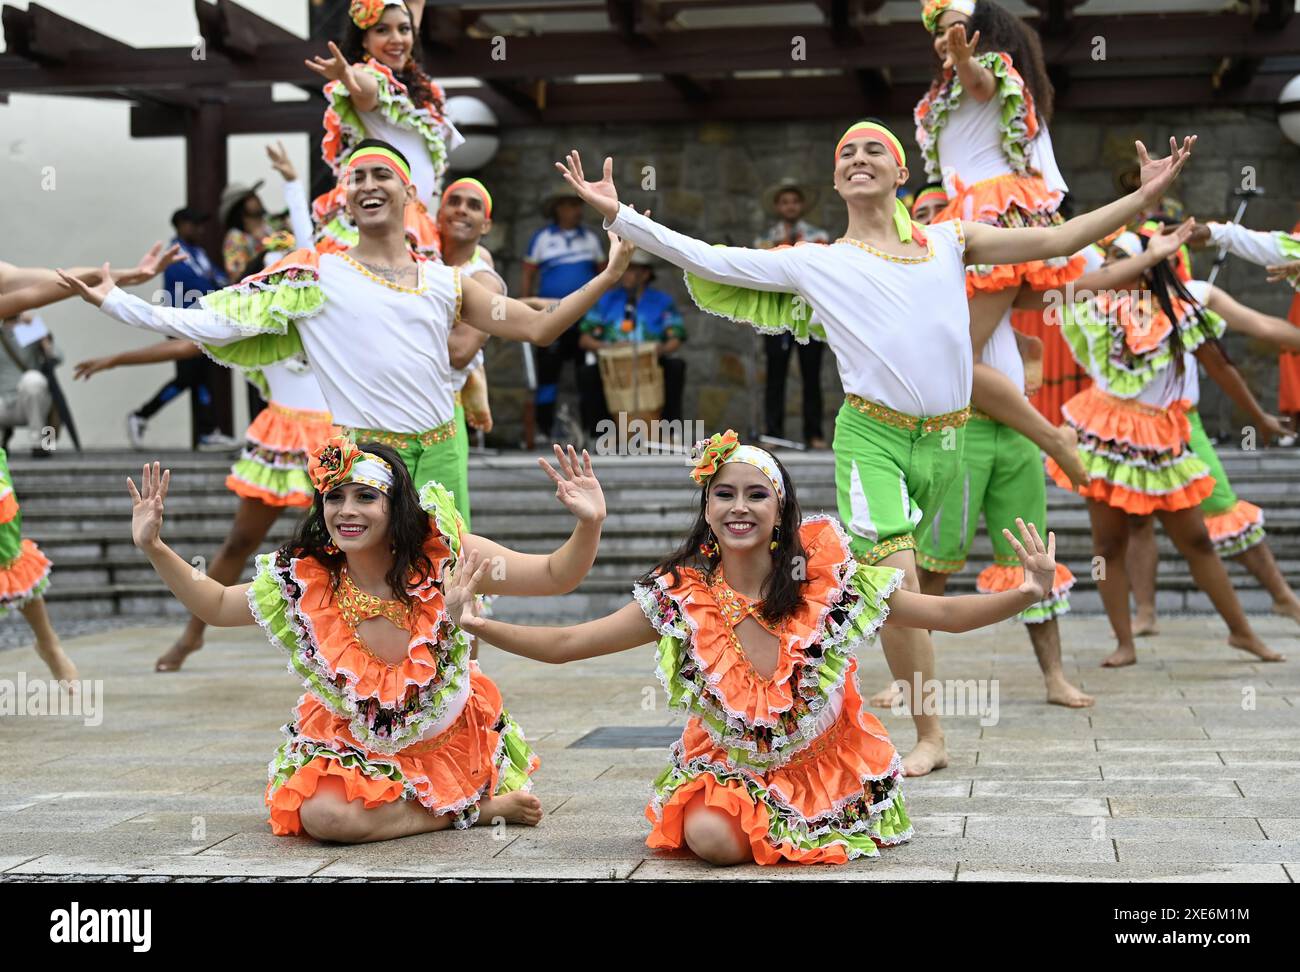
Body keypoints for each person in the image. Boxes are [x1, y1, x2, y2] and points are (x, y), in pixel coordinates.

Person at [552, 125, 1194, 775]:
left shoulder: (952, 239)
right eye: (845, 154)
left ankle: (844, 691)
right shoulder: (818, 261)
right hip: (872, 440)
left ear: (898, 172)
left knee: (915, 583)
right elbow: (711, 258)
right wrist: (620, 214)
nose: (858, 159)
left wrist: (1144, 197)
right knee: (895, 584)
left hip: (950, 439)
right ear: (838, 182)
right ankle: (931, 736)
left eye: (872, 151)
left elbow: (1057, 239)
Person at [441, 430, 1058, 865]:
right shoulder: (681, 596)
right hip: (733, 770)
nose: (739, 507)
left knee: (726, 841)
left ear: (780, 506)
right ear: (706, 508)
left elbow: (941, 615)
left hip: (824, 765)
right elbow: (570, 643)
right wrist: (476, 624)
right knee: (712, 840)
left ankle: (811, 813)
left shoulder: (826, 579)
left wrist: (1025, 591)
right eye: (724, 494)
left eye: (755, 494)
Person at [62, 140, 635, 521]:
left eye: (381, 173)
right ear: (346, 199)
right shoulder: (315, 274)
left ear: (408, 193)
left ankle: (464, 700)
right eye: (355, 176)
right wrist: (117, 303)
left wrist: (609, 275)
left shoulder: (446, 283)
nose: (367, 183)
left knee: (455, 587)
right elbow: (216, 321)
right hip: (364, 464)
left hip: (440, 455)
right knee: (366, 597)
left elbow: (538, 326)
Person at [125, 433, 608, 841]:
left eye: (365, 497)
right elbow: (214, 604)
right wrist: (154, 546)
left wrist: (589, 524)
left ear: (394, 505)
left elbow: (552, 575)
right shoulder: (307, 580)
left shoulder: (444, 556)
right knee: (325, 817)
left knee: (335, 819)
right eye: (334, 497)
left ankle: (457, 798)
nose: (346, 511)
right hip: (358, 743)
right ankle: (471, 811)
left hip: (445, 742)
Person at [1046, 228, 1298, 666]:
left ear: (1149, 266)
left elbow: (1223, 370)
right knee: (1108, 545)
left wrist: (1258, 418)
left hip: (1163, 436)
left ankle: (1242, 632)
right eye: (1107, 260)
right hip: (1105, 432)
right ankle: (1124, 642)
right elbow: (1066, 270)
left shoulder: (1179, 310)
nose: (1108, 267)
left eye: (1119, 259)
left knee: (1197, 540)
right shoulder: (1092, 306)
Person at [915, 0, 1089, 489]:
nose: (941, 40)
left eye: (952, 30)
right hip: (961, 221)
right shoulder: (946, 93)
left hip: (991, 215)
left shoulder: (987, 71)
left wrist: (967, 61)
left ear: (979, 33)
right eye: (936, 34)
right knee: (974, 347)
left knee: (956, 357)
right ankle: (1021, 358)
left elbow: (981, 84)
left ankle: (1053, 438)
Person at [306, 0, 457, 258]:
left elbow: (410, 17)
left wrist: (413, 11)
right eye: (382, 30)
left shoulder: (411, 84)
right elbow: (366, 89)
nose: (396, 38)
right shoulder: (373, 82)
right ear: (364, 40)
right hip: (379, 214)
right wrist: (348, 76)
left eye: (404, 29)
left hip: (411, 216)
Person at [125, 206, 233, 451]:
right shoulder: (175, 255)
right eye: (194, 224)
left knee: (198, 378)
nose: (199, 229)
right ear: (181, 225)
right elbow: (201, 283)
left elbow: (219, 277)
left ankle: (206, 433)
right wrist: (223, 290)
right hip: (182, 324)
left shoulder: (200, 252)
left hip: (200, 324)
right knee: (189, 378)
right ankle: (142, 415)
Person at [437, 176, 505, 529]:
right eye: (455, 201)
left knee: (442, 524)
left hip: (441, 412)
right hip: (389, 405)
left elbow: (461, 351)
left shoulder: (484, 279)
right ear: (439, 212)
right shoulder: (422, 260)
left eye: (473, 205)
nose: (462, 209)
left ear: (486, 224)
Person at [523, 192, 608, 442]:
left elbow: (605, 276)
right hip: (552, 316)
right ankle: (543, 430)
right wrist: (525, 311)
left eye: (578, 204)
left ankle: (593, 432)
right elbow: (528, 274)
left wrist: (601, 313)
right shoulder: (541, 238)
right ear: (558, 208)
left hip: (586, 318)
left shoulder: (591, 239)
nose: (576, 210)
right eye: (571, 205)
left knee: (588, 373)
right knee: (548, 374)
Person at [576, 251, 686, 437]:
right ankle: (600, 435)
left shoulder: (662, 302)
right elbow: (584, 339)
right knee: (588, 373)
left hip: (650, 363)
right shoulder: (606, 300)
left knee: (676, 367)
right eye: (624, 269)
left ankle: (669, 432)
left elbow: (676, 337)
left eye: (631, 269)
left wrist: (661, 349)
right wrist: (609, 349)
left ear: (645, 274)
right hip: (612, 364)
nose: (624, 273)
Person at [754, 178, 829, 448]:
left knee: (812, 374)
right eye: (785, 201)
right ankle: (773, 433)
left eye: (794, 201)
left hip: (809, 314)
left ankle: (814, 433)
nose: (790, 206)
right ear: (777, 206)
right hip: (777, 313)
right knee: (775, 374)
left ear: (801, 205)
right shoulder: (764, 239)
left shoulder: (818, 236)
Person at [0, 313, 60, 458]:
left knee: (33, 380)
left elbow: (57, 357)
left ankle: (42, 445)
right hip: (3, 401)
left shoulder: (27, 330)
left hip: (31, 399)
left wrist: (39, 330)